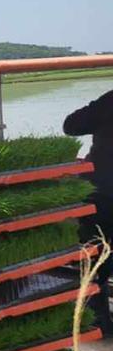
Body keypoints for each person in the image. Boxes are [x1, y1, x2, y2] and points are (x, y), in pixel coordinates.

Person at [63, 90, 113, 337]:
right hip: (104, 193)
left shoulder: (110, 101)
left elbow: (71, 125)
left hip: (102, 193)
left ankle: (98, 323)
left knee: (95, 261)